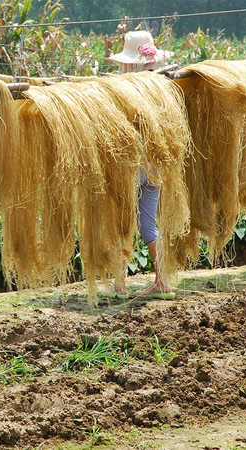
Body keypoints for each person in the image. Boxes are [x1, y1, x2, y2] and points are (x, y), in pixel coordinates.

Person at [100, 31, 175, 300]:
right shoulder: (161, 86)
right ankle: (163, 282)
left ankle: (119, 286)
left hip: (132, 166)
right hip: (154, 166)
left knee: (121, 222)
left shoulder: (123, 88)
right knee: (148, 226)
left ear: (129, 61)